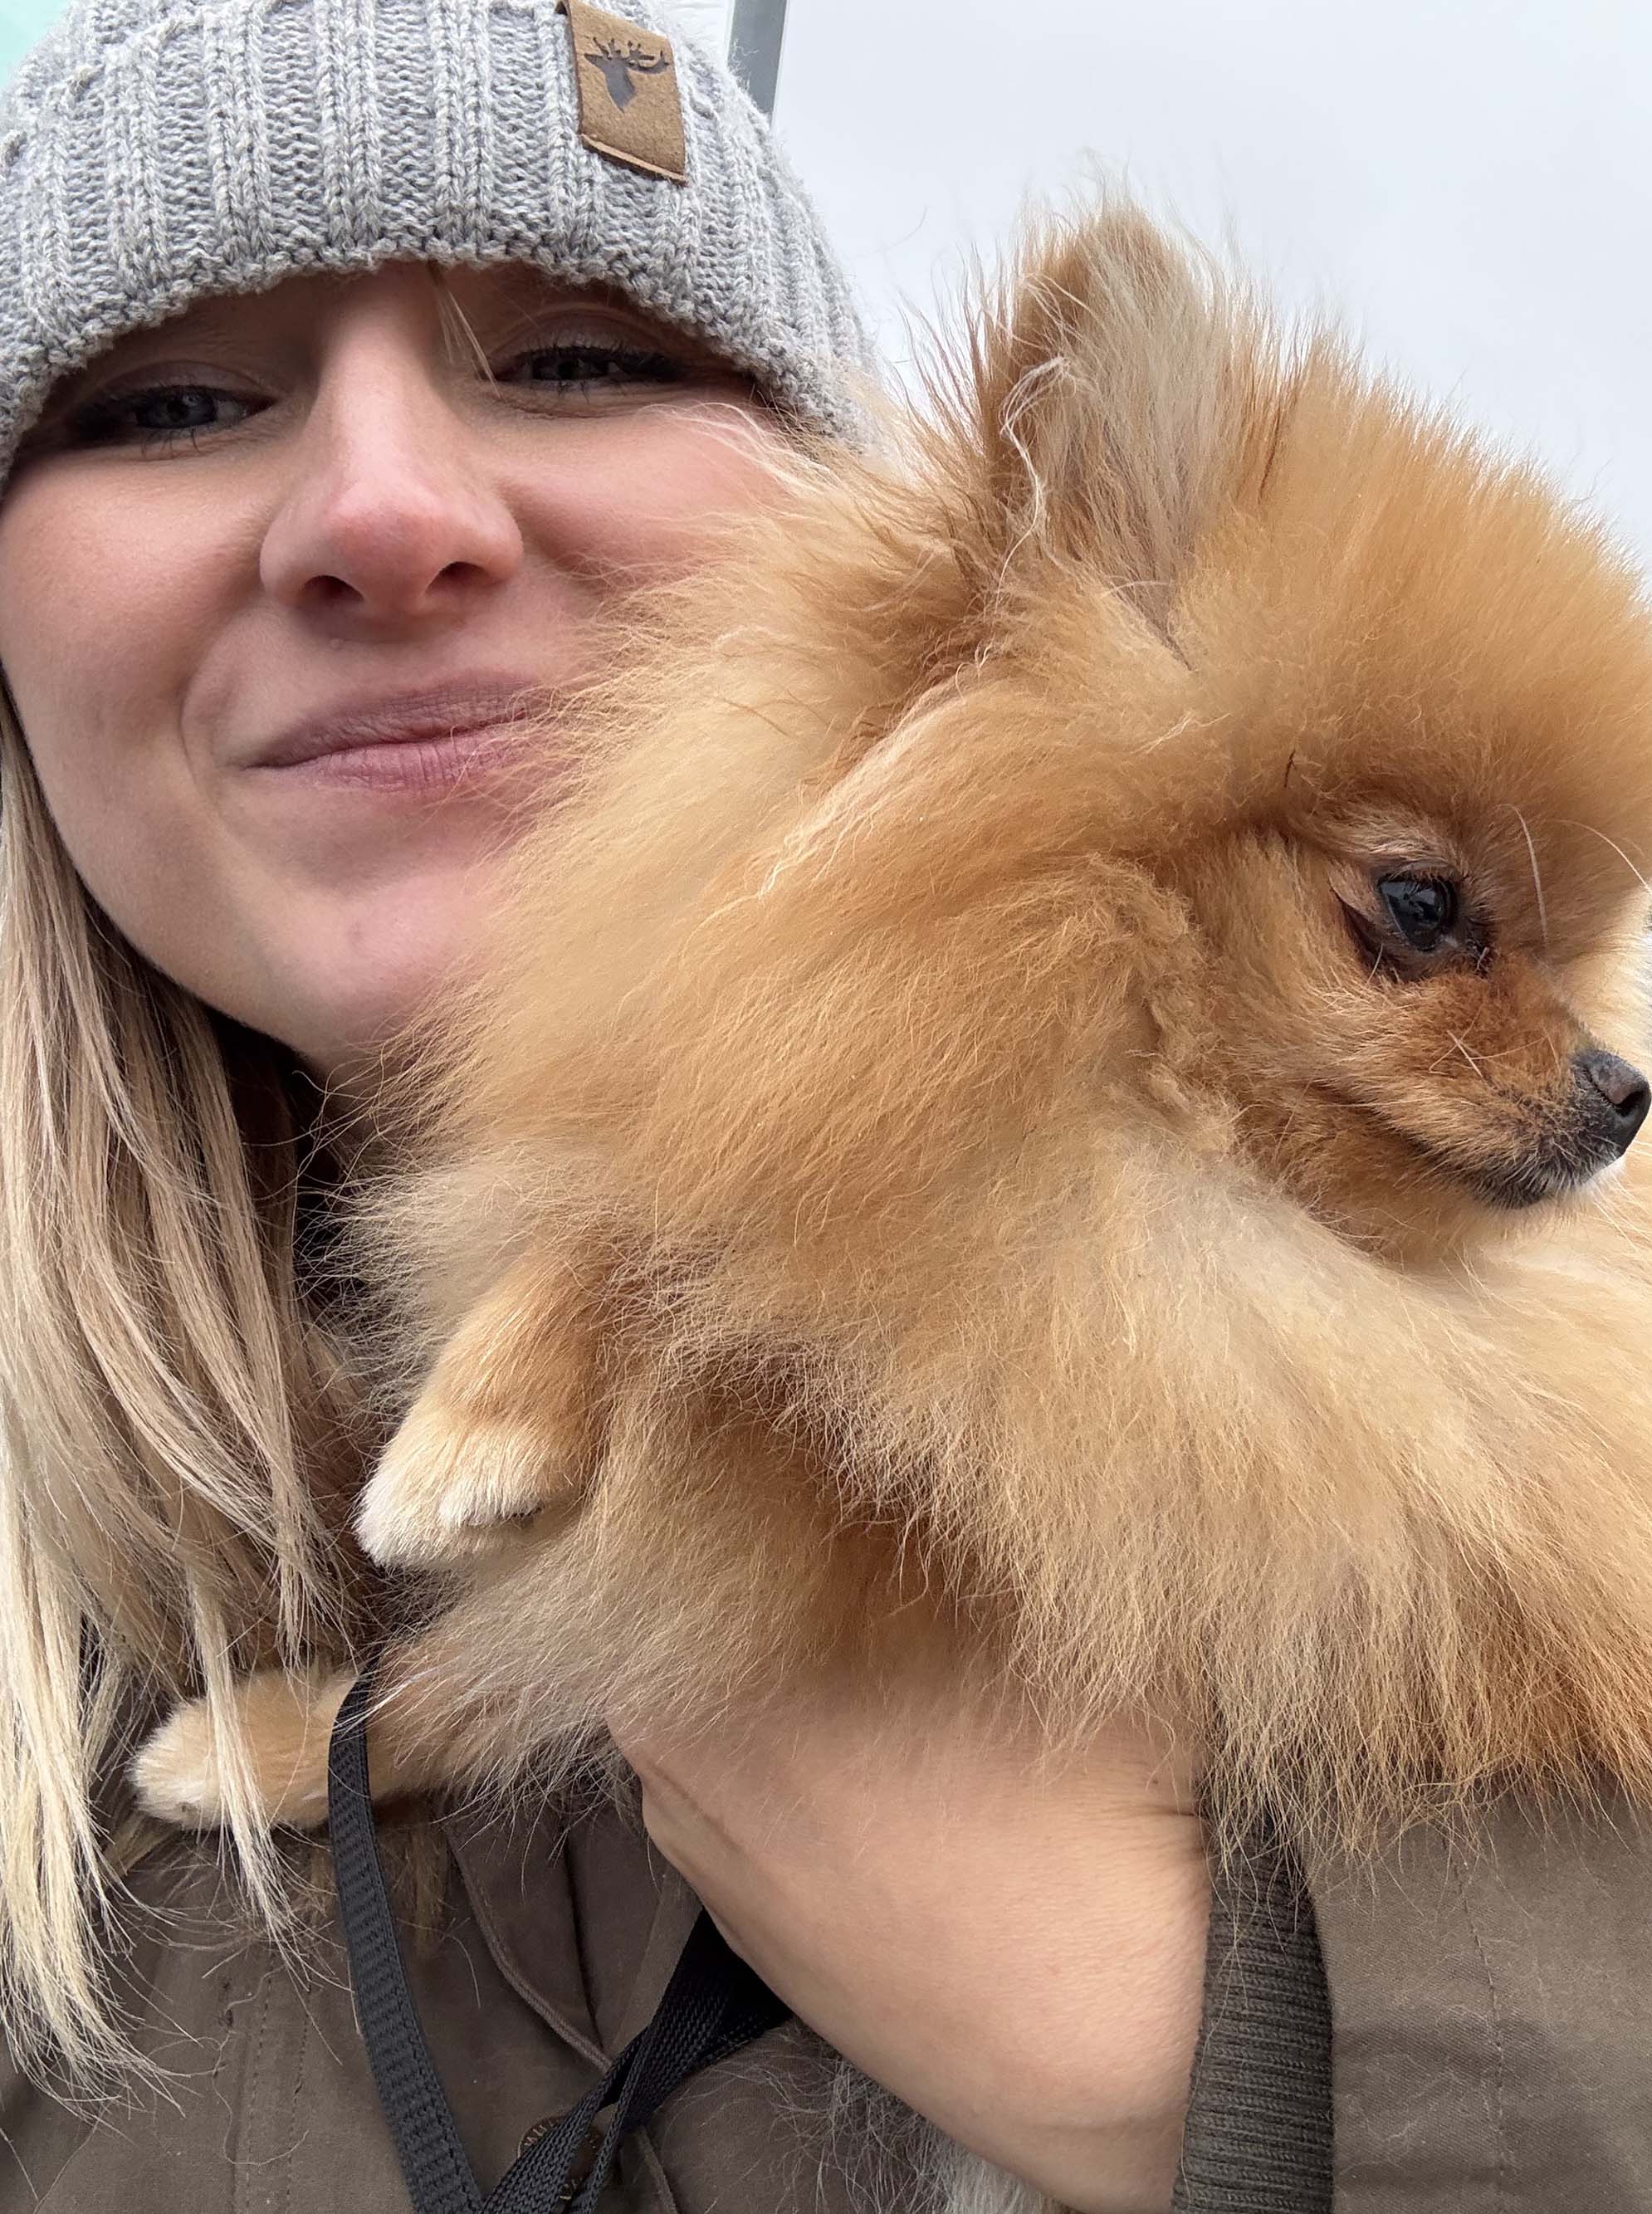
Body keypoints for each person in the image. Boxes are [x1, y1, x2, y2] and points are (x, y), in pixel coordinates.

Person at [0, 2, 1317, 2209]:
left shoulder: (1519, 1259)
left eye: (587, 361)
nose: (385, 514)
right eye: (175, 400)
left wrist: (1258, 2065)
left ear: (879, 537)